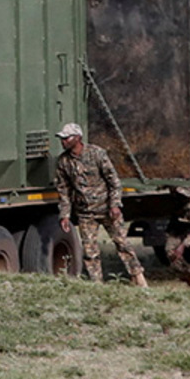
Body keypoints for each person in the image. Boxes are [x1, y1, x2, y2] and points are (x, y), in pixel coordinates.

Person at [54, 122, 147, 287]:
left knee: (123, 244)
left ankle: (138, 278)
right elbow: (64, 191)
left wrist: (115, 205)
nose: (63, 141)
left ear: (78, 138)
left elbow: (114, 182)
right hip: (85, 213)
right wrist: (65, 215)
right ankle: (97, 285)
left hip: (107, 209)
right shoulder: (63, 162)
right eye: (62, 139)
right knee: (90, 251)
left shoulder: (97, 154)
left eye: (66, 138)